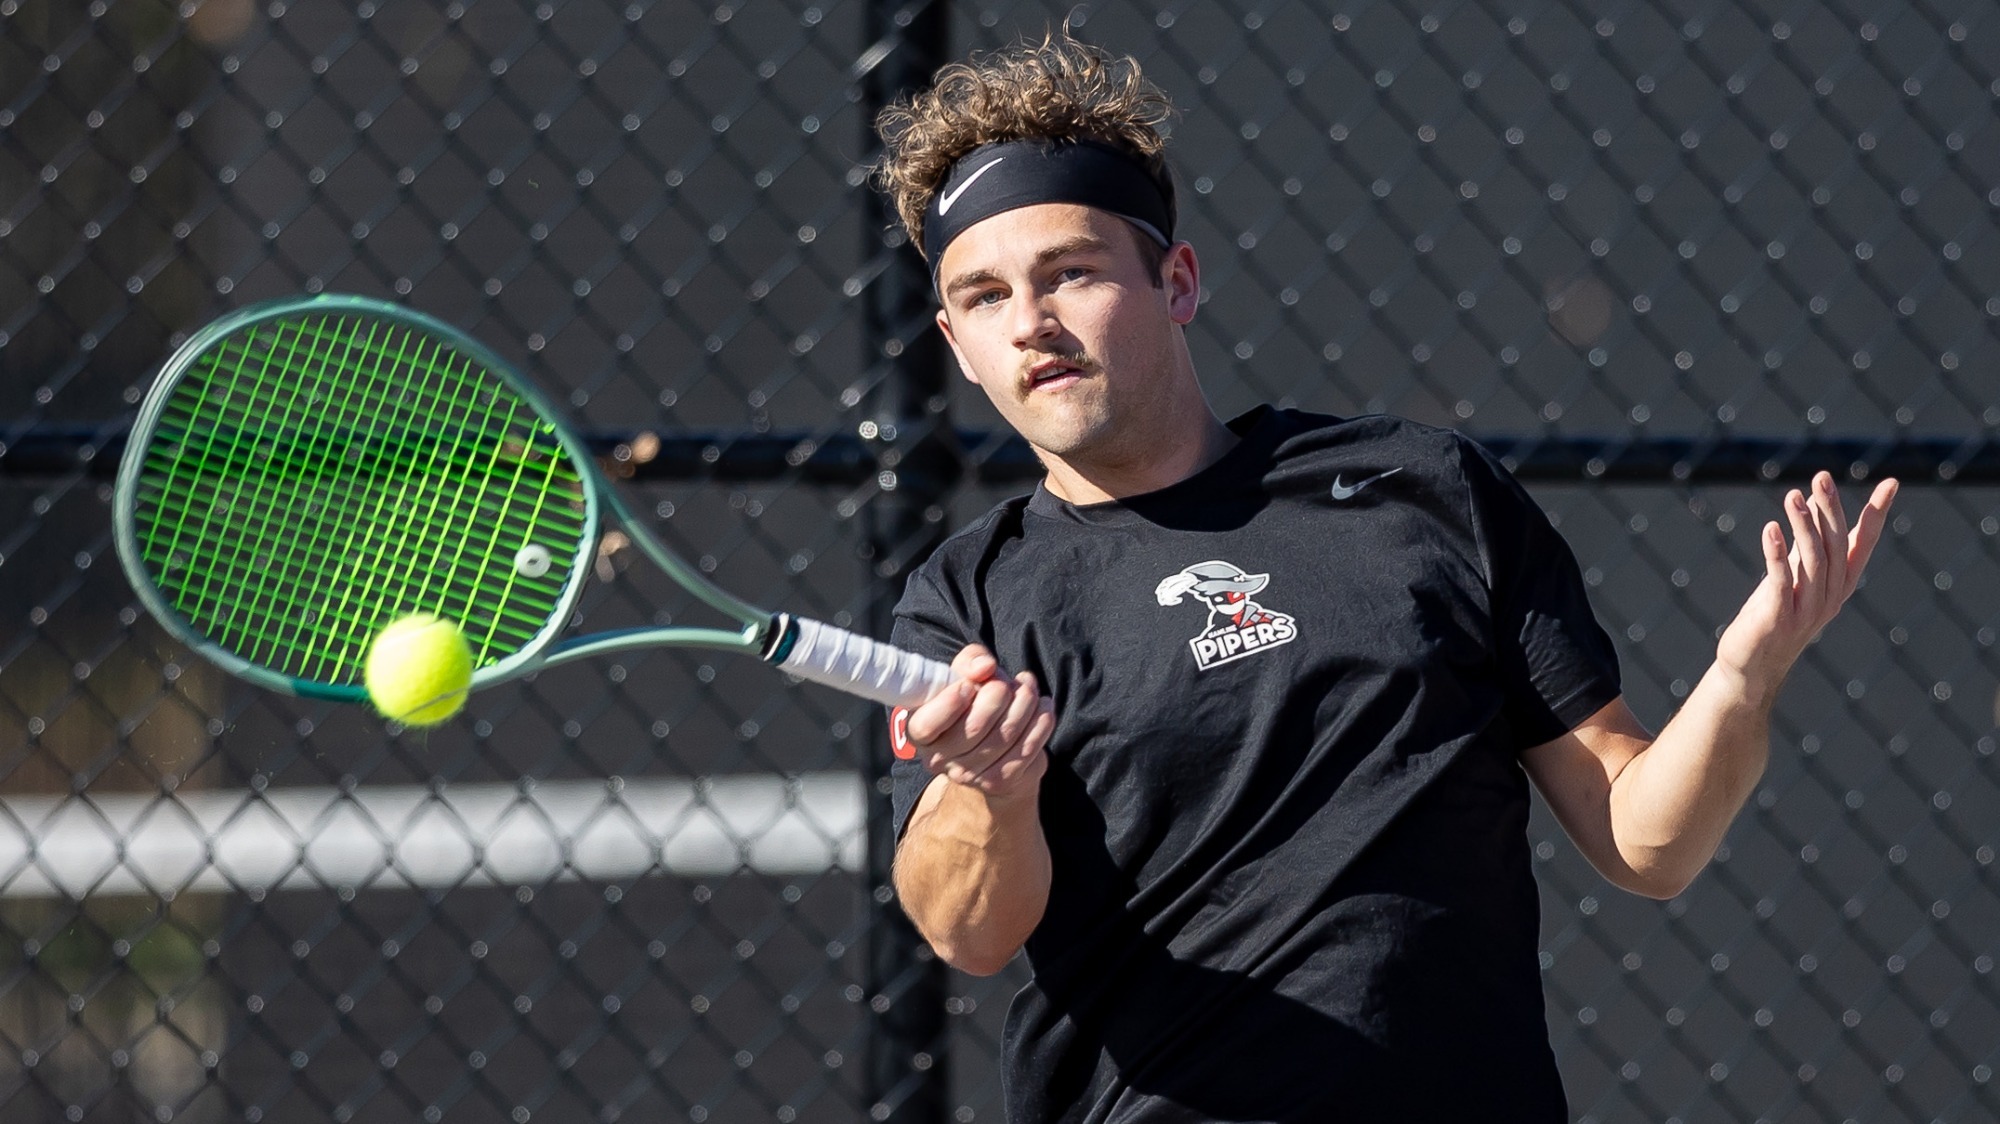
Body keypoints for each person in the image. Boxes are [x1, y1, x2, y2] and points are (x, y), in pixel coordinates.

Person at [869, 30, 1897, 1123]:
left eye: (1069, 272)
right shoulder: (967, 598)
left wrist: (1742, 679)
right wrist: (990, 785)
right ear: (954, 339)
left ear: (1174, 280)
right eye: (983, 297)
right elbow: (966, 931)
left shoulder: (1427, 491)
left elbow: (1645, 840)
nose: (1029, 322)